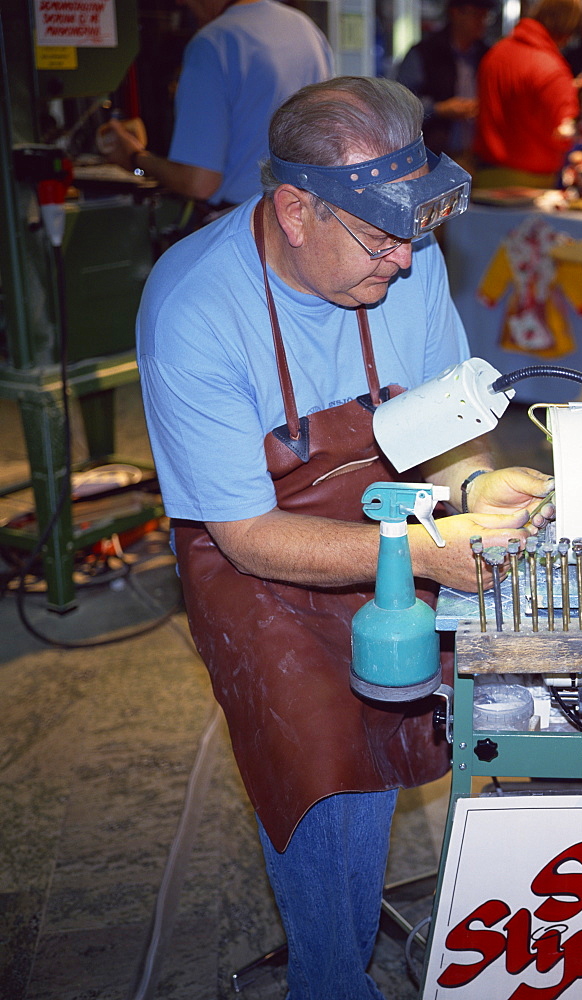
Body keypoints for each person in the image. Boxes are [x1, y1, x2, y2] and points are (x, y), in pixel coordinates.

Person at [136, 76, 553, 997]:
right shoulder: (195, 307)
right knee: (324, 739)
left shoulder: (403, 251)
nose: (404, 264)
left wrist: (476, 484)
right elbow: (245, 533)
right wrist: (422, 553)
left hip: (395, 504)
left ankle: (529, 932)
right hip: (256, 544)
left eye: (414, 236)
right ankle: (329, 977)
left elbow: (441, 431)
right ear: (294, 210)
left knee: (534, 669)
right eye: (379, 241)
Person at [99, 0, 334, 210]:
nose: (180, 2)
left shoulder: (213, 42)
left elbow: (199, 183)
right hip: (308, 214)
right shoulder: (306, 29)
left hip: (247, 225)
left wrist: (134, 156)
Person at [473, 0, 582, 188]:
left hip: (485, 178)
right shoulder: (551, 69)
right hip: (532, 185)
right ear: (569, 30)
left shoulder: (496, 53)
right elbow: (565, 133)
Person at [394, 0, 495, 168]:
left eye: (486, 16)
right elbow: (400, 104)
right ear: (455, 13)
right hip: (433, 155)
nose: (482, 21)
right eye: (476, 14)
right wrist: (439, 108)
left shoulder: (486, 54)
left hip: (480, 157)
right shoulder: (426, 52)